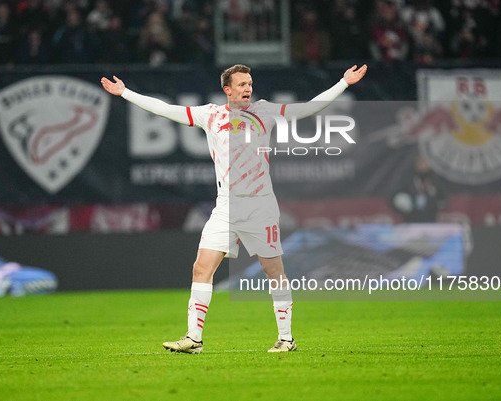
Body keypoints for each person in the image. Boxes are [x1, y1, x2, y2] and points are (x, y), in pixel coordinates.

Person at [100, 63, 367, 353]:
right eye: (241, 84)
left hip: (260, 206)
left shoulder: (264, 111)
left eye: (249, 83)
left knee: (273, 271)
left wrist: (343, 82)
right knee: (201, 267)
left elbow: (308, 108)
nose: (248, 88)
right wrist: (125, 92)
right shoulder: (210, 115)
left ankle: (286, 339)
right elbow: (165, 109)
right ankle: (194, 339)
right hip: (225, 207)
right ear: (227, 90)